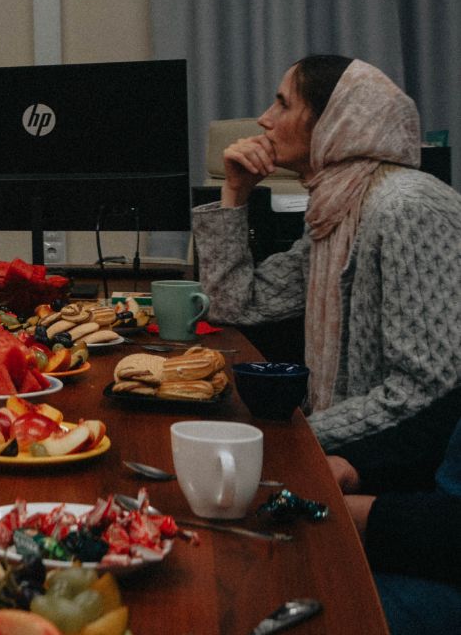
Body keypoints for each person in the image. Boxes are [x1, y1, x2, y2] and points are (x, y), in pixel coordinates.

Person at [194, 55, 461, 459]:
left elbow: (425, 387)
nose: (264, 119)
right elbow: (232, 304)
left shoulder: (408, 206)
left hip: (393, 464)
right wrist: (235, 193)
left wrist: (291, 440)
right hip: (345, 444)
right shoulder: (334, 207)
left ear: (335, 122)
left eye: (283, 104)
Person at [327, 402, 461, 635]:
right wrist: (357, 470)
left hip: (438, 570)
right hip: (419, 541)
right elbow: (434, 431)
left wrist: (374, 519)